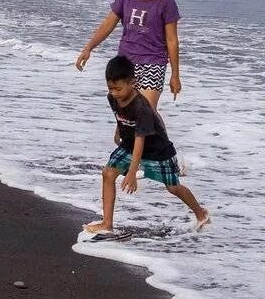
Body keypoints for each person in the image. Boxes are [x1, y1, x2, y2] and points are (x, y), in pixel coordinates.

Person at [84, 55, 209, 235]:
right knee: (108, 173)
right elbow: (120, 115)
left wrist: (132, 173)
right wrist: (118, 131)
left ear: (132, 83)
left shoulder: (141, 107)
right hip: (130, 143)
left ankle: (200, 213)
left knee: (173, 187)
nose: (114, 93)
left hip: (157, 150)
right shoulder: (112, 97)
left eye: (118, 88)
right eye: (110, 88)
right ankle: (107, 223)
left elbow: (141, 140)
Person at [74, 0, 182, 107]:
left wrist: (175, 75)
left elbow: (172, 40)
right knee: (126, 114)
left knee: (146, 111)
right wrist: (88, 48)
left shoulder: (166, 1)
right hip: (126, 62)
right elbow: (108, 24)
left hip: (153, 62)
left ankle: (159, 132)